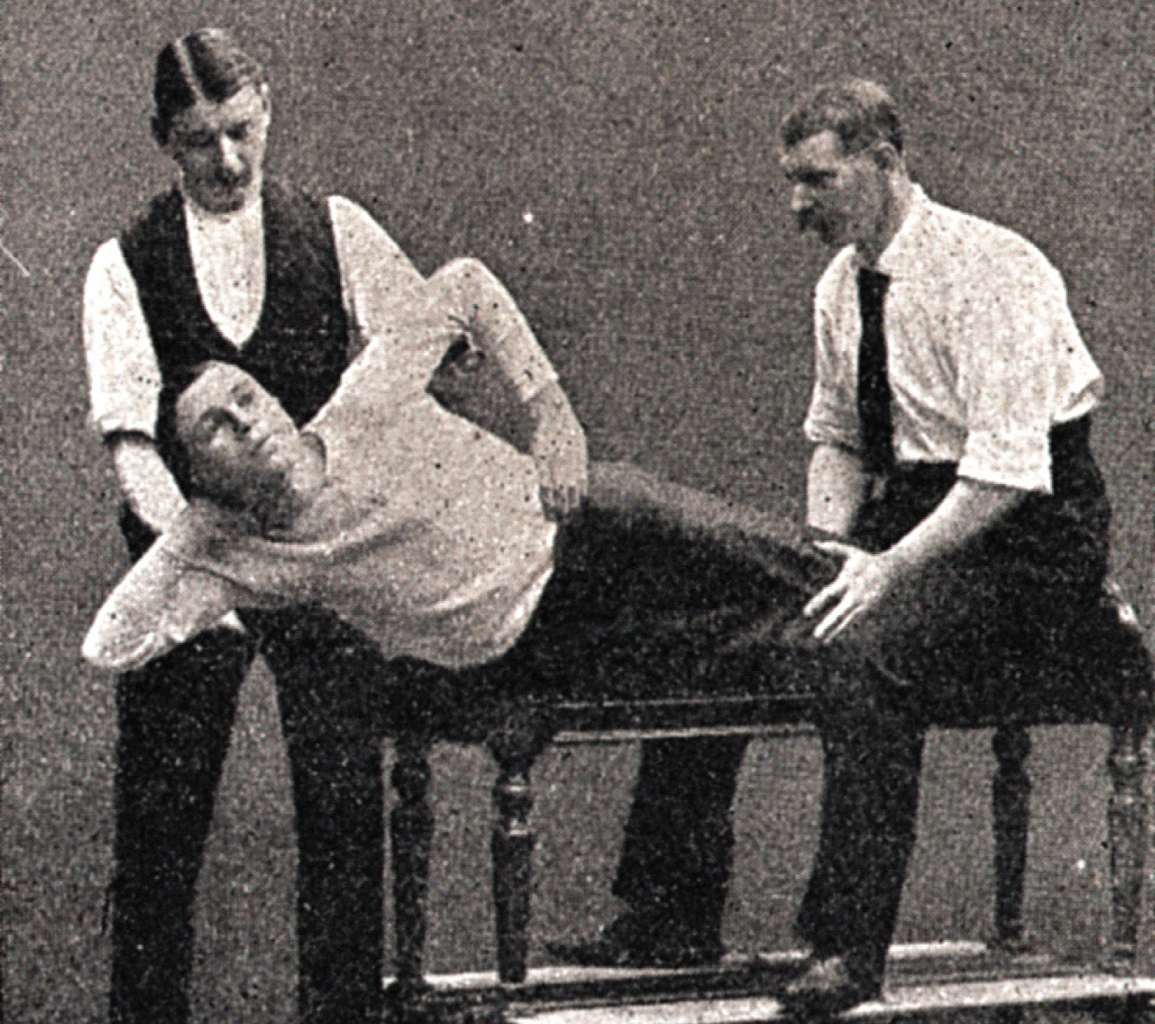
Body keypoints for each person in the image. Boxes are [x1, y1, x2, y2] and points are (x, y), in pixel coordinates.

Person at [36, 29, 576, 1024]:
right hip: (194, 554)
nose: (226, 161)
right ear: (163, 143)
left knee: (341, 806)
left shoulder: (335, 228)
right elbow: (134, 446)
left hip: (332, 568)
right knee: (160, 805)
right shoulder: (120, 264)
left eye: (241, 131)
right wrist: (205, 569)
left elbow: (424, 335)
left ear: (265, 109)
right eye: (198, 144)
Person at [565, 77, 1122, 1018]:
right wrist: (827, 554)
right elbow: (838, 440)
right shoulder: (839, 288)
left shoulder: (995, 269)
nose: (796, 205)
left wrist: (884, 572)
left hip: (1027, 542)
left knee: (864, 652)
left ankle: (844, 947)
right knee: (729, 623)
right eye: (789, 182)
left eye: (816, 180)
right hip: (908, 515)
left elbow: (1006, 471)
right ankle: (669, 913)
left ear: (886, 166)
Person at [84, 258, 835, 742]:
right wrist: (189, 528)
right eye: (216, 428)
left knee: (786, 567)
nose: (247, 421)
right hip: (534, 645)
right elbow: (110, 648)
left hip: (584, 528)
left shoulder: (361, 402)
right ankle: (671, 920)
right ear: (200, 476)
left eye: (246, 397)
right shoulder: (250, 564)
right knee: (717, 674)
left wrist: (551, 414)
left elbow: (466, 285)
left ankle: (902, 586)